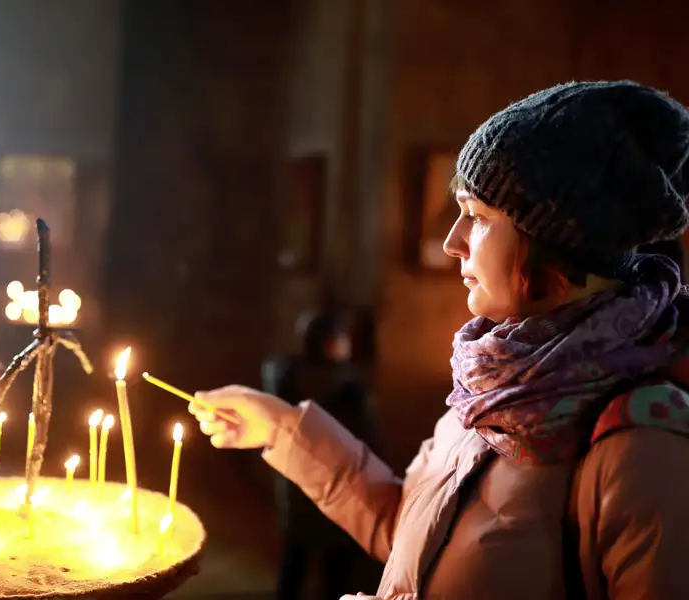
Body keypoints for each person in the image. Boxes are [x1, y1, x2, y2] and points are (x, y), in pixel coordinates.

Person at [187, 81, 689, 599]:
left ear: (557, 241)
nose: (451, 243)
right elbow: (412, 533)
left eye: (476, 217)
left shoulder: (644, 450)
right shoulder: (496, 380)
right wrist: (283, 429)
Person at [262, 310, 383, 600]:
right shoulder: (303, 378)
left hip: (331, 485)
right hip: (315, 484)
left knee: (325, 566)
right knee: (302, 562)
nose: (343, 345)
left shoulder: (335, 380)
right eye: (338, 339)